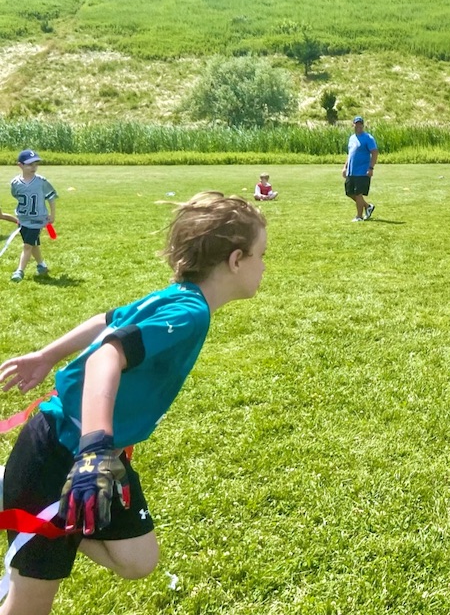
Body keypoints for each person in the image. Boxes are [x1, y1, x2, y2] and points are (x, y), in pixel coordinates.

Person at [0, 192, 267, 615]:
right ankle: (31, 499)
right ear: (236, 260)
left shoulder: (179, 297)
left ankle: (36, 501)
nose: (264, 266)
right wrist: (93, 449)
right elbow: (105, 356)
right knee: (27, 609)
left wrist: (47, 355)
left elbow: (108, 320)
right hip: (62, 454)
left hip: (100, 455)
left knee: (138, 560)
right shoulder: (189, 312)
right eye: (261, 255)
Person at [9, 150, 57, 283]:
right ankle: (42, 265)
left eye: (36, 164)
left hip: (37, 220)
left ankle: (19, 271)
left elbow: (51, 197)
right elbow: (16, 195)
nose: (34, 167)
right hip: (23, 220)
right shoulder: (15, 183)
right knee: (33, 244)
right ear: (20, 165)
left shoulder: (41, 182)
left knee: (27, 246)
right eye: (30, 164)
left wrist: (52, 214)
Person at [342, 116, 378, 222]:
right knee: (349, 193)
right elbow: (350, 154)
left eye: (360, 124)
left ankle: (359, 216)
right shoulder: (352, 138)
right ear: (353, 125)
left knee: (358, 194)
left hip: (362, 171)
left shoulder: (368, 138)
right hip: (351, 171)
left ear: (363, 125)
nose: (358, 126)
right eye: (356, 124)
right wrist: (345, 167)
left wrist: (371, 168)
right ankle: (368, 206)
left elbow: (374, 153)